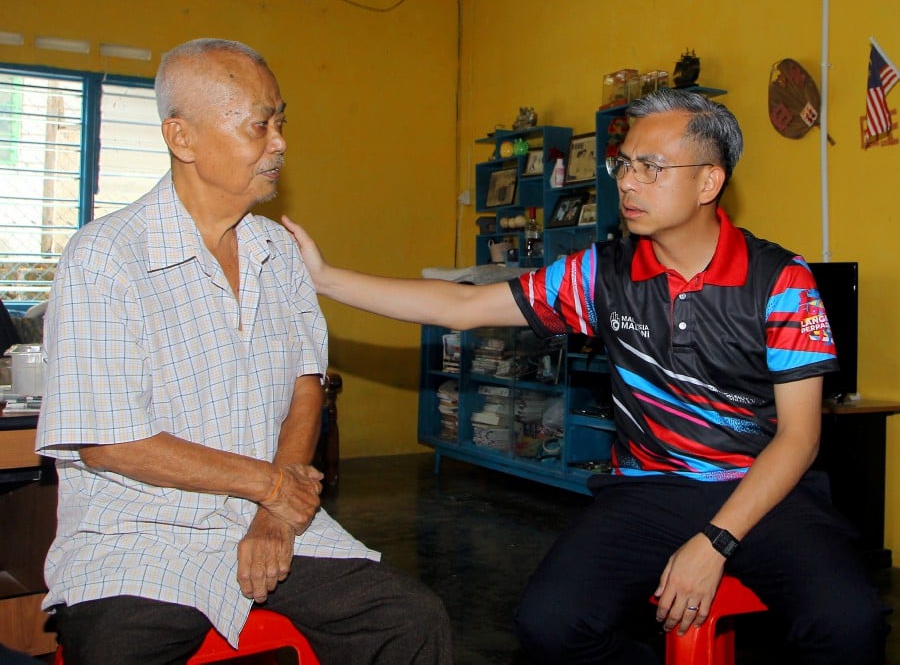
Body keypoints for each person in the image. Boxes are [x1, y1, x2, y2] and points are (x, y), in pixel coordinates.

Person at [283, 88, 887, 664]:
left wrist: (715, 542)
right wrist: (327, 279)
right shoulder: (602, 274)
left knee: (848, 623)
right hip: (649, 491)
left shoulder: (780, 281)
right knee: (549, 625)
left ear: (709, 181)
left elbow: (799, 438)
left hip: (763, 489)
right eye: (624, 164)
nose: (627, 181)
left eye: (651, 167)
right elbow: (461, 307)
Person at [36, 38, 451, 665]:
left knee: (410, 621)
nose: (279, 142)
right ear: (183, 138)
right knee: (116, 650)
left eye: (280, 121)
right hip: (140, 534)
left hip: (267, 518)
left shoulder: (277, 252)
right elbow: (107, 440)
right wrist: (272, 485)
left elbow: (306, 384)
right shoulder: (106, 256)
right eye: (259, 125)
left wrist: (277, 515)